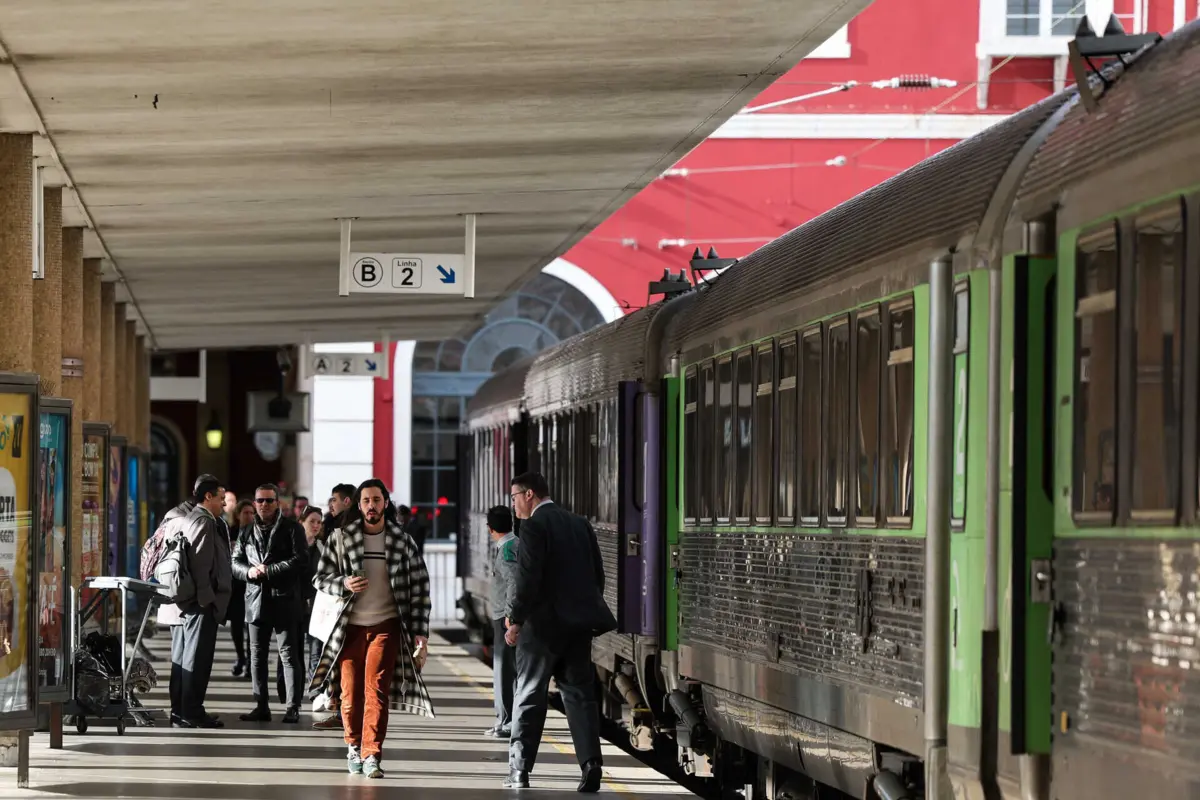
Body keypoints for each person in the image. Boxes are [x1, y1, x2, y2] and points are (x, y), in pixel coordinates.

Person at [309, 478, 436, 779]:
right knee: (350, 693)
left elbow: (420, 587)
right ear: (359, 505)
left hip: (387, 626)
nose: (371, 506)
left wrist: (420, 632)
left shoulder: (402, 541)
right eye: (366, 501)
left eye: (376, 500)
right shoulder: (342, 537)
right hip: (350, 627)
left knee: (376, 691)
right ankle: (353, 745)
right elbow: (320, 579)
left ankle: (372, 754)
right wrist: (343, 582)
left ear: (385, 504)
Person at [503, 471, 616, 792]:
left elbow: (528, 578)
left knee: (529, 695)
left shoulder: (533, 526)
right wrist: (582, 612)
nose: (513, 506)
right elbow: (598, 574)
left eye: (514, 498)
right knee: (580, 696)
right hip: (577, 627)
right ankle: (591, 763)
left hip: (541, 628)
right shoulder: (579, 524)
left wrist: (516, 620)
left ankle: (519, 770)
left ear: (528, 495)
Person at [157, 474, 233, 729]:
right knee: (196, 660)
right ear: (207, 497)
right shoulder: (202, 521)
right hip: (199, 603)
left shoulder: (188, 518)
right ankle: (191, 712)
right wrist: (207, 599)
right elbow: (201, 566)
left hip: (187, 603)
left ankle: (180, 711)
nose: (224, 504)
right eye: (221, 498)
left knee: (183, 658)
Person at [232, 483, 308, 724]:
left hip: (284, 599)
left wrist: (270, 570)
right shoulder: (246, 531)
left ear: (278, 503)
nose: (264, 505)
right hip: (255, 600)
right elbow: (235, 563)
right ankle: (261, 705)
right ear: (254, 503)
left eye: (269, 500)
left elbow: (301, 560)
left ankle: (292, 707)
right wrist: (249, 572)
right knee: (257, 656)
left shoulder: (292, 529)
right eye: (260, 500)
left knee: (288, 655)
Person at [485, 505, 517, 739]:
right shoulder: (513, 544)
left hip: (504, 618)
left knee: (503, 670)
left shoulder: (507, 549)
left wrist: (510, 614)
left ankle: (506, 721)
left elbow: (513, 582)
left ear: (490, 529)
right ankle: (506, 719)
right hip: (505, 616)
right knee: (508, 669)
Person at [226, 499, 254, 677]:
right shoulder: (230, 532)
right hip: (235, 585)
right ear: (237, 515)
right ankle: (241, 657)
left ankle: (251, 662)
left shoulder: (258, 533)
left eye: (252, 513)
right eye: (246, 513)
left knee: (251, 625)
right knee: (236, 625)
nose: (250, 516)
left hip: (252, 584)